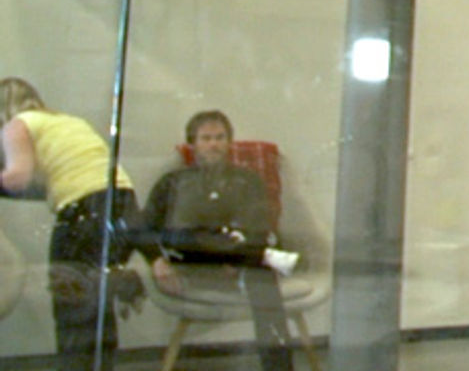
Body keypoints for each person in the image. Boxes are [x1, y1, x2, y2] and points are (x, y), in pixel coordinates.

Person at [0, 79, 142, 371]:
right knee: (97, 310)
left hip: (84, 215)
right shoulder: (67, 122)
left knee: (72, 306)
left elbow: (18, 178)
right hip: (123, 206)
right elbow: (57, 183)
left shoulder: (16, 125)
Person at [141, 111, 292, 371]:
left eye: (220, 138)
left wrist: (239, 257)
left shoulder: (247, 180)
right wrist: (155, 261)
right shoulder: (173, 182)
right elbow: (144, 227)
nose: (214, 144)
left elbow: (259, 225)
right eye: (206, 138)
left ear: (229, 142)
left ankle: (279, 368)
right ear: (193, 144)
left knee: (264, 276)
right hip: (189, 260)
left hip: (238, 259)